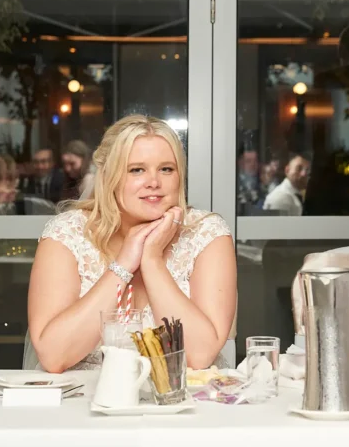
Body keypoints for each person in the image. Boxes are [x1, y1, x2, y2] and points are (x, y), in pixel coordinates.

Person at [27, 115, 237, 373]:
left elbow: (199, 356)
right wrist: (124, 263)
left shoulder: (207, 233)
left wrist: (152, 260)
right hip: (84, 400)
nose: (154, 182)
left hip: (186, 401)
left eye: (166, 169)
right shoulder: (67, 233)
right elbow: (53, 356)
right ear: (110, 177)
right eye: (137, 169)